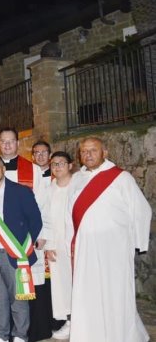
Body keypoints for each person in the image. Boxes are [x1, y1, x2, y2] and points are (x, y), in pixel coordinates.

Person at [67, 137, 151, 342]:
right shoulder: (76, 179)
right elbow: (69, 213)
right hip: (85, 248)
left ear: (105, 152)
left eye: (93, 150)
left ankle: (120, 335)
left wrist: (137, 242)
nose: (88, 155)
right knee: (88, 293)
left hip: (114, 248)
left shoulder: (121, 178)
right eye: (84, 151)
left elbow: (141, 210)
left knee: (115, 292)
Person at [0, 128, 50, 341]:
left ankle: (20, 335)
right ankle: (0, 334)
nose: (8, 145)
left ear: (18, 143)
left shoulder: (32, 171)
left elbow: (40, 209)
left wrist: (37, 237)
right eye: (3, 141)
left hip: (17, 248)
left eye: (11, 141)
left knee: (19, 297)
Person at [42, 151, 73, 340]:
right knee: (62, 285)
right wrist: (49, 245)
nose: (57, 167)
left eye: (62, 163)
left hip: (78, 243)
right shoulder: (50, 189)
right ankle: (69, 321)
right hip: (56, 246)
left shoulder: (79, 185)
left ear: (70, 165)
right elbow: (45, 219)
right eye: (54, 164)